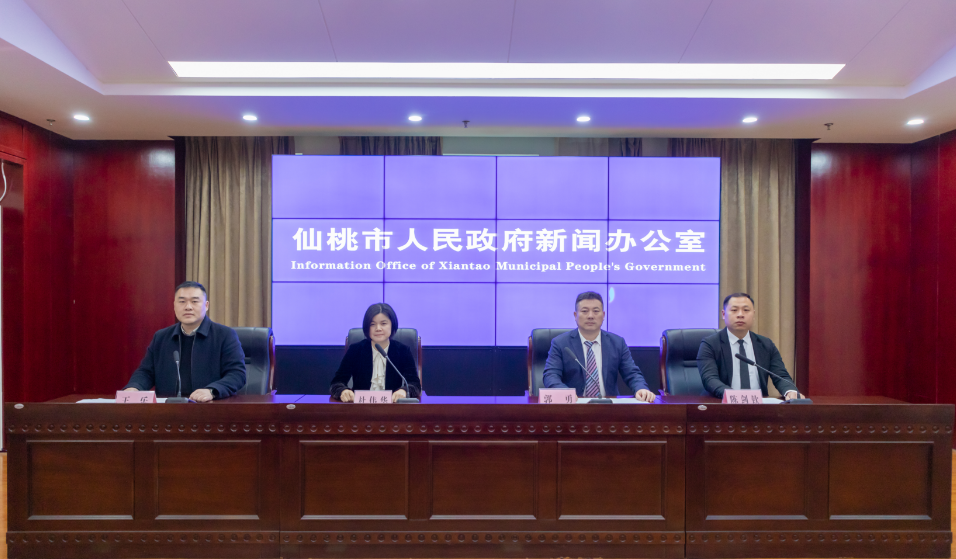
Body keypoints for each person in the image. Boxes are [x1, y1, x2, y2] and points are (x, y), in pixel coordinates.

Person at [122, 281, 246, 402]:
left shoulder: (224, 335)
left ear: (206, 305)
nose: (188, 307)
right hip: (168, 410)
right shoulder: (161, 337)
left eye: (194, 301)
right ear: (174, 305)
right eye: (182, 302)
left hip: (208, 408)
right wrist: (134, 387)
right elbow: (146, 372)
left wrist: (211, 391)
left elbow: (237, 374)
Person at [542, 291, 655, 402]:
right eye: (585, 311)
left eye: (596, 311)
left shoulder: (617, 343)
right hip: (574, 406)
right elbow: (551, 375)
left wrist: (641, 388)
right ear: (575, 315)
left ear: (603, 315)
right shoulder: (561, 343)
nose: (590, 316)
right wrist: (566, 393)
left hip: (609, 407)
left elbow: (632, 373)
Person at [697, 292, 804, 400]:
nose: (740, 314)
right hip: (723, 405)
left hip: (758, 406)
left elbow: (780, 375)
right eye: (734, 310)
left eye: (746, 310)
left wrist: (790, 391)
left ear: (753, 314)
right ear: (724, 314)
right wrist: (735, 397)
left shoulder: (765, 344)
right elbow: (710, 379)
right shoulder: (710, 344)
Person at [331, 303, 422, 403]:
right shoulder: (356, 350)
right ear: (367, 327)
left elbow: (414, 384)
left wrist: (404, 390)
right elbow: (337, 383)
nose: (378, 328)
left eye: (383, 323)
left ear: (392, 325)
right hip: (360, 407)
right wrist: (343, 391)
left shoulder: (403, 351)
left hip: (392, 407)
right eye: (372, 324)